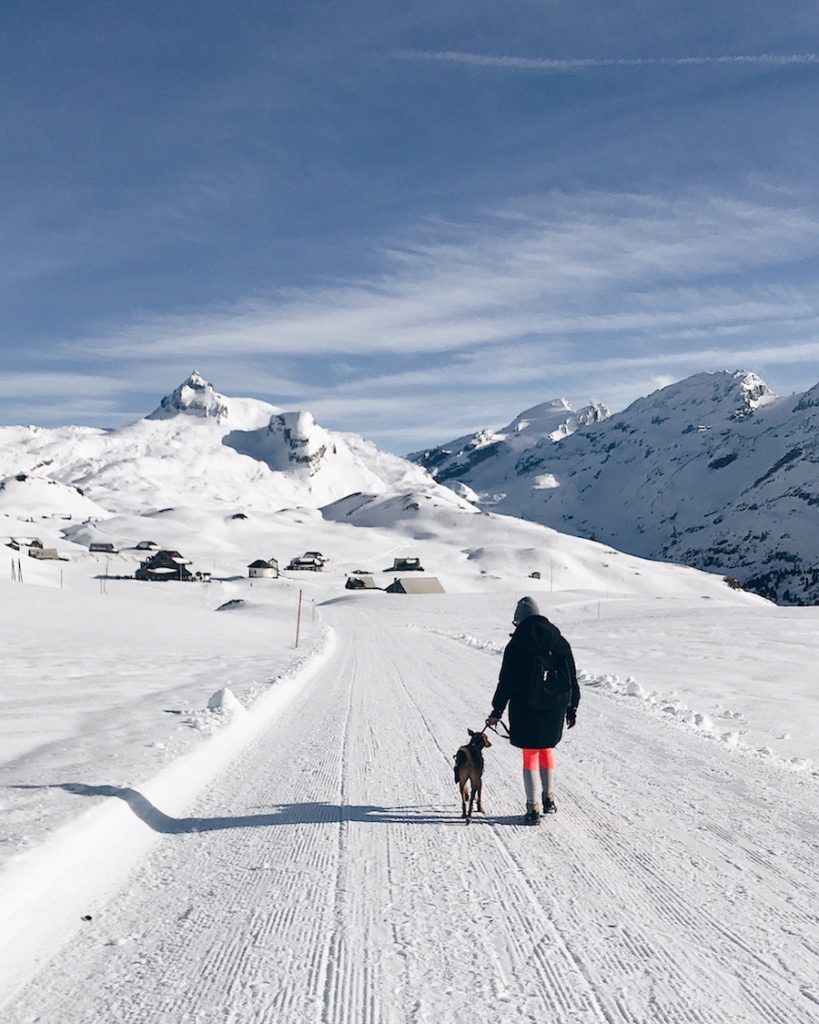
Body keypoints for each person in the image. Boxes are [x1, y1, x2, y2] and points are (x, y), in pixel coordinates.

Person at [486, 596, 579, 825]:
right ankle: (549, 799)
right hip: (555, 706)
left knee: (530, 754)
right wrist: (572, 706)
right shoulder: (559, 640)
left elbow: (505, 681)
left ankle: (532, 808)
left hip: (525, 707)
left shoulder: (516, 644)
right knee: (547, 748)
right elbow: (572, 677)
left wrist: (496, 710)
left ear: (519, 619)